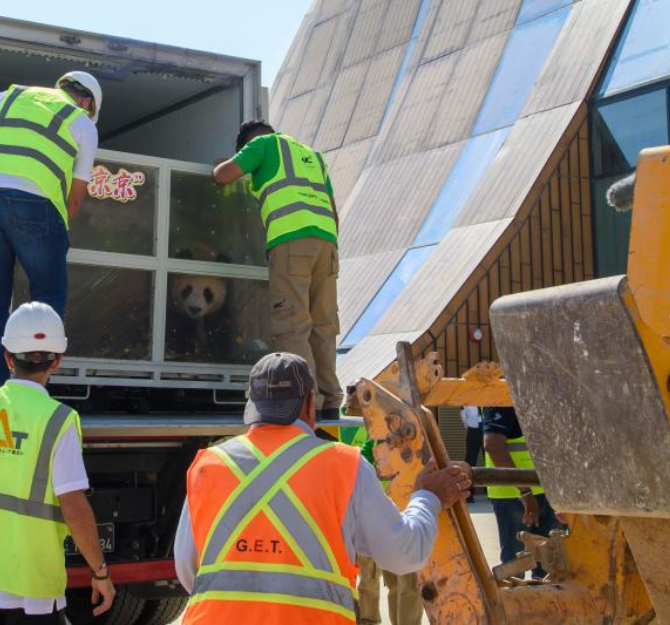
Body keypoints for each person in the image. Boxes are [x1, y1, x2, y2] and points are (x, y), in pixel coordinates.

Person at [174, 352, 468, 624]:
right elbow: (404, 554)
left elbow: (190, 573)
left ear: (252, 404)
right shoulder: (344, 466)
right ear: (309, 404)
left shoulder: (208, 465)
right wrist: (428, 498)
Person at [0, 302, 115, 624]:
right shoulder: (58, 419)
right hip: (32, 582)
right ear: (57, 361)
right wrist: (99, 570)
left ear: (6, 357)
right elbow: (73, 506)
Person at [0, 72, 104, 392]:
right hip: (34, 200)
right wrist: (54, 235)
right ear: (87, 102)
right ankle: (33, 390)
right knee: (47, 299)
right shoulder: (83, 123)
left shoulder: (13, 96)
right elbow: (74, 198)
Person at [213, 121, 341, 418]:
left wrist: (221, 166)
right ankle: (331, 400)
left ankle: (307, 403)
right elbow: (333, 211)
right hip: (327, 244)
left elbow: (224, 176)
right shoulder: (314, 156)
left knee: (292, 324)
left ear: (247, 145)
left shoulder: (262, 145)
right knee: (324, 326)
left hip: (291, 241)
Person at [338, 387, 423, 625]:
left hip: (395, 509)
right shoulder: (370, 432)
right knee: (386, 579)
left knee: (401, 581)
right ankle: (369, 620)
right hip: (378, 511)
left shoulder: (393, 426)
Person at [482, 407, 559, 574]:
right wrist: (525, 493)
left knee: (548, 565)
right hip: (514, 497)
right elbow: (493, 445)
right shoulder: (501, 394)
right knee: (515, 567)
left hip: (545, 491)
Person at [461, 406, 482, 504]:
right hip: (473, 431)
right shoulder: (467, 400)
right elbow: (463, 415)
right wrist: (470, 428)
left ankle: (492, 491)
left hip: (487, 429)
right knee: (470, 461)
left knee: (490, 460)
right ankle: (468, 494)